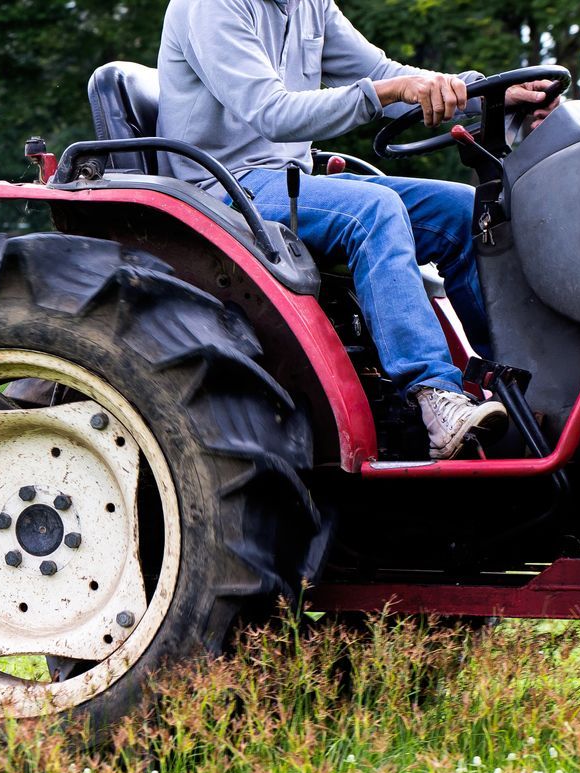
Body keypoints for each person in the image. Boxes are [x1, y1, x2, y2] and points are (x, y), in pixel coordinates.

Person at [157, 0, 556, 458]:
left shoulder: (310, 5)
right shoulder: (209, 7)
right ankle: (434, 396)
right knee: (374, 210)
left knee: (462, 210)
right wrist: (391, 90)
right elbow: (272, 112)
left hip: (287, 180)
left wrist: (489, 94)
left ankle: (517, 389)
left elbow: (382, 70)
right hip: (221, 189)